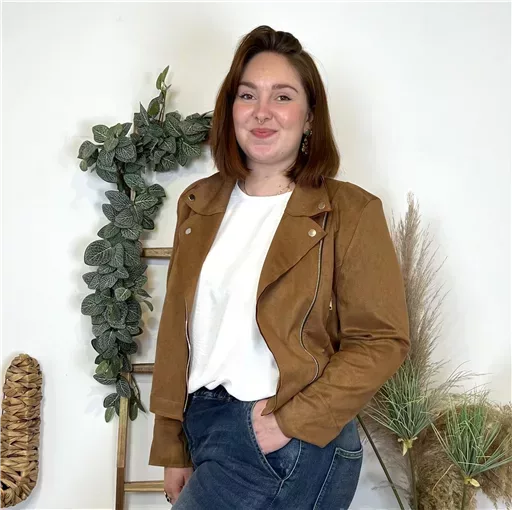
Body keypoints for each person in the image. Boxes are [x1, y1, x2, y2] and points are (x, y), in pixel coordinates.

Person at [148, 25, 410, 509]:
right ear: (231, 109)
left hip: (287, 441)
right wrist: (173, 444)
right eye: (247, 95)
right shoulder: (199, 203)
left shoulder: (350, 211)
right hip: (206, 428)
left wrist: (287, 423)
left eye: (283, 97)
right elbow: (180, 330)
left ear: (310, 117)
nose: (262, 111)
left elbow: (381, 339)